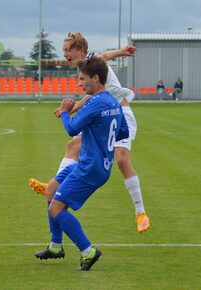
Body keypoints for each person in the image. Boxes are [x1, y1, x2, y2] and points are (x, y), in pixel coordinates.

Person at [29, 32, 150, 234]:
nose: (65, 54)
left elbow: (105, 56)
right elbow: (92, 97)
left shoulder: (93, 62)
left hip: (121, 112)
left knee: (121, 159)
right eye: (64, 50)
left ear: (81, 51)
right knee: (73, 145)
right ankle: (56, 184)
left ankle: (140, 212)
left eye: (69, 50)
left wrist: (122, 51)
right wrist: (71, 109)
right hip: (104, 113)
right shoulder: (87, 72)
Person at [35, 56, 129, 270]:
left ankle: (88, 251)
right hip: (97, 164)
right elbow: (122, 131)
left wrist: (66, 113)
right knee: (51, 191)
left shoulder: (95, 103)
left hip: (89, 168)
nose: (80, 83)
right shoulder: (114, 101)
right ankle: (56, 246)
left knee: (56, 208)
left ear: (96, 78)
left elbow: (71, 129)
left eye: (83, 78)